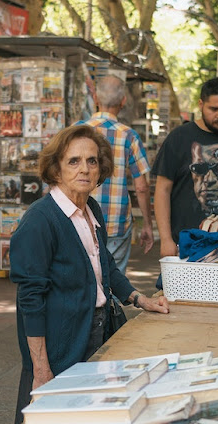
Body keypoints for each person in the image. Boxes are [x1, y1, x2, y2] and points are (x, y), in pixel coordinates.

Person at [10, 125, 170, 424]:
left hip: (94, 331)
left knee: (87, 423)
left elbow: (104, 263)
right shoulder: (40, 221)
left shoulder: (90, 207)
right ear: (56, 169)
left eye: (92, 161)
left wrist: (138, 298)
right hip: (59, 345)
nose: (84, 169)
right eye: (74, 161)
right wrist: (41, 368)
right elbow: (29, 300)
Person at [152, 77, 218, 256]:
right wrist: (165, 239)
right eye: (214, 109)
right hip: (184, 246)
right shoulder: (178, 138)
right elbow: (162, 190)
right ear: (201, 104)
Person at [78, 74, 154, 274]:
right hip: (116, 223)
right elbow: (142, 186)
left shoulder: (75, 132)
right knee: (115, 280)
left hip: (79, 221)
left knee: (82, 278)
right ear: (123, 101)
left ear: (96, 99)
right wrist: (147, 224)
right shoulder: (129, 136)